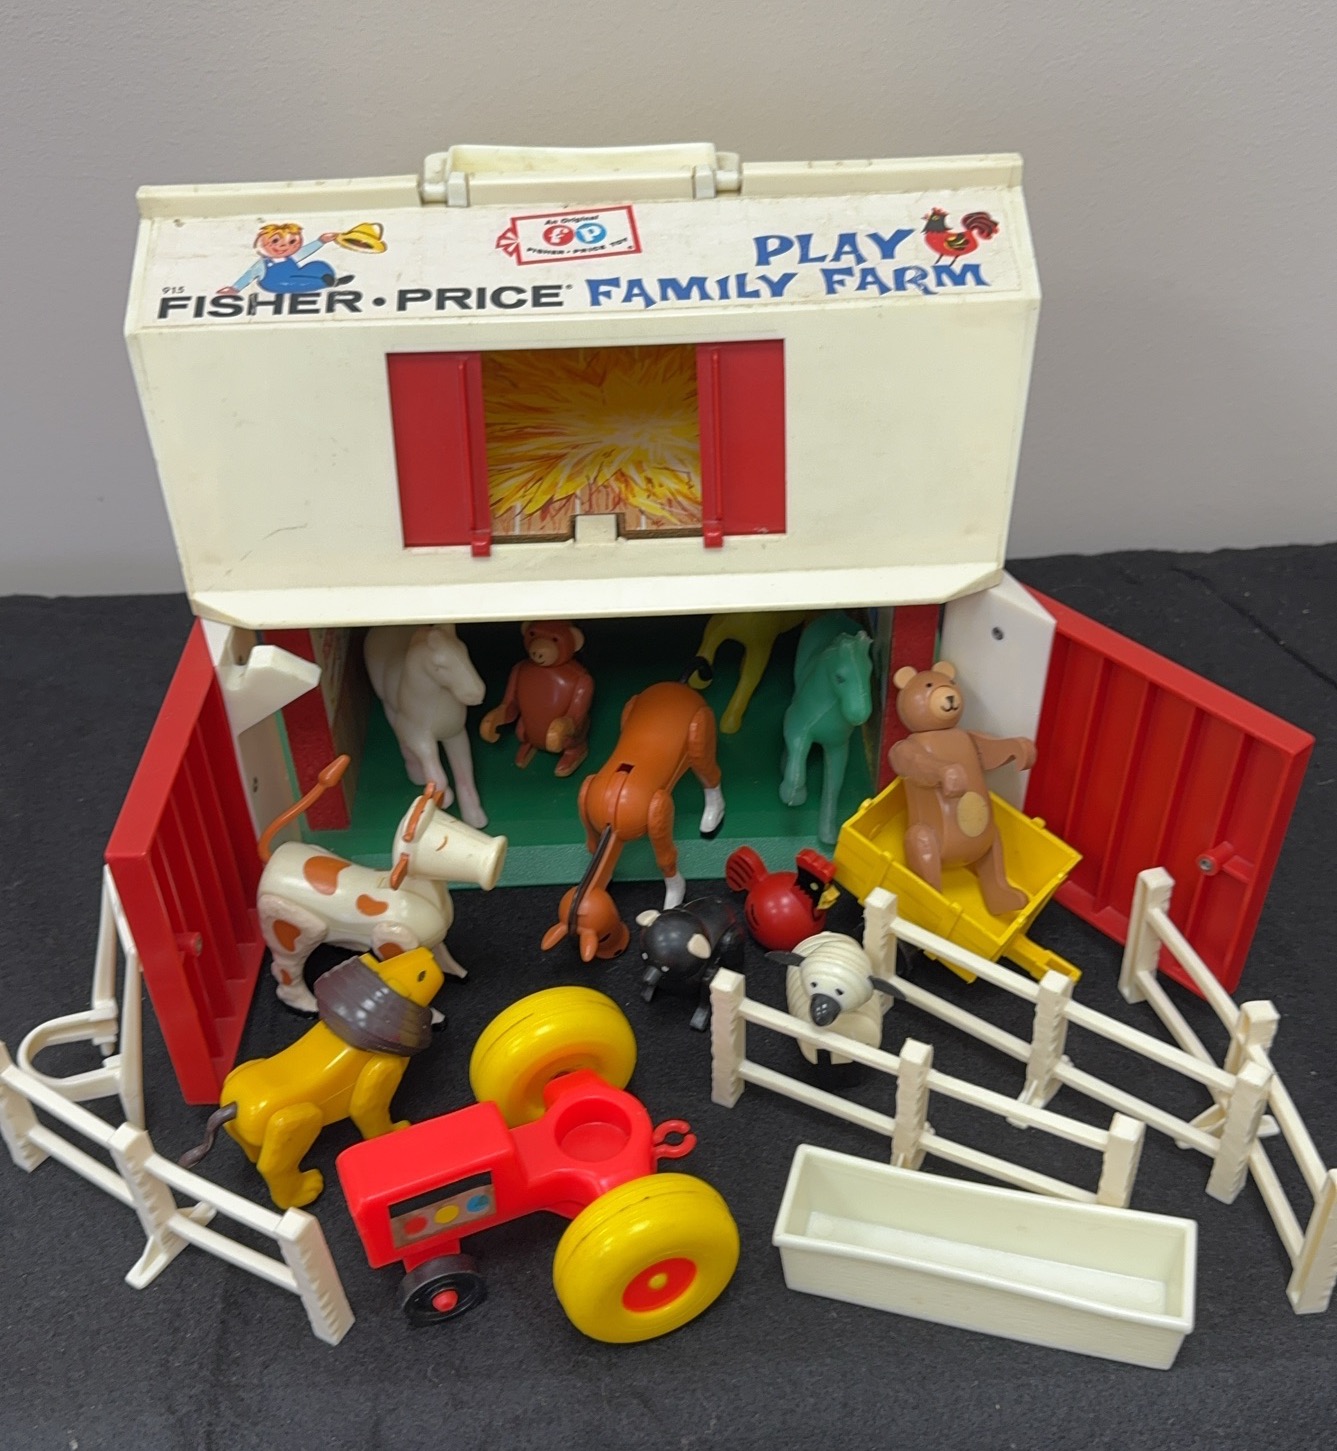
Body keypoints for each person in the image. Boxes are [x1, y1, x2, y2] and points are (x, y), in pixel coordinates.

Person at [218, 222, 352, 295]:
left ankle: (329, 279)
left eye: (292, 242)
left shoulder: (291, 257)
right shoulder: (263, 264)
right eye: (275, 241)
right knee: (301, 282)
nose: (283, 246)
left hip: (296, 275)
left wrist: (321, 241)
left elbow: (305, 251)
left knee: (318, 265)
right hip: (276, 283)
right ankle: (326, 282)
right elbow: (249, 275)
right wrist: (235, 288)